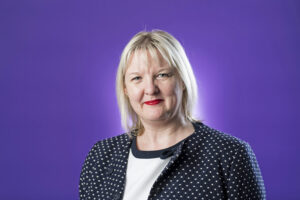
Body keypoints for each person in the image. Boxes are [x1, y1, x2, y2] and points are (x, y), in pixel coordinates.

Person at [79, 30, 266, 200]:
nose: (150, 89)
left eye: (162, 75)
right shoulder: (100, 156)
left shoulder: (230, 155)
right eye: (137, 78)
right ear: (125, 89)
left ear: (182, 80)